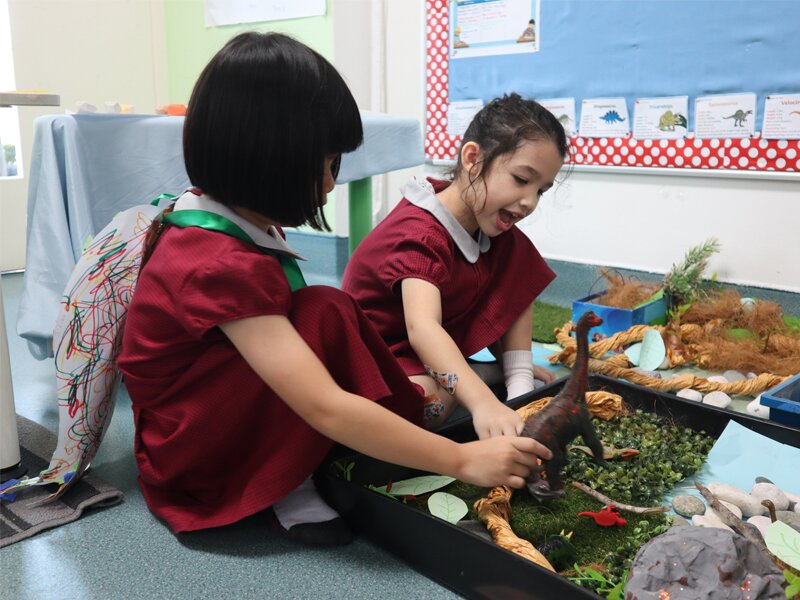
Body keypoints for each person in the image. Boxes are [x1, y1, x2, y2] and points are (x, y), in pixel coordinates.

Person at [118, 33, 551, 546]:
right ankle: (285, 480)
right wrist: (461, 459)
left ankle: (318, 453)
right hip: (190, 450)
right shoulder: (212, 261)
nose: (329, 186)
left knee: (325, 307)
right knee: (357, 373)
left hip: (222, 400)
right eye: (325, 165)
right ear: (266, 156)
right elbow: (322, 404)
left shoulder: (235, 215)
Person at [342, 93, 568, 435]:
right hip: (384, 355)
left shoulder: (492, 224)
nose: (529, 202)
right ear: (473, 159)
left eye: (541, 190)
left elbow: (518, 287)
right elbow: (422, 329)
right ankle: (479, 374)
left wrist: (520, 388)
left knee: (518, 264)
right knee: (426, 407)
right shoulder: (420, 234)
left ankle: (512, 377)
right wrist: (482, 402)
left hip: (430, 351)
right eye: (522, 180)